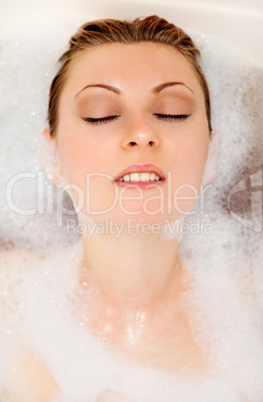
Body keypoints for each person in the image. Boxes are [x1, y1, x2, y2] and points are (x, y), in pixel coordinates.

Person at [3, 15, 248, 402]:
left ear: (213, 153)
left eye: (171, 111)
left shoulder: (255, 319)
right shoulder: (8, 309)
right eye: (101, 113)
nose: (141, 133)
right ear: (51, 155)